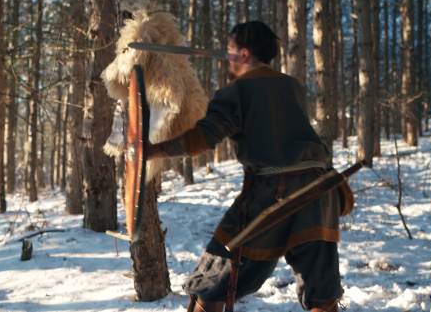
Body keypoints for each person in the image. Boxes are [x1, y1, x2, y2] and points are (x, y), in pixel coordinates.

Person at [147, 21, 350, 312]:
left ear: (243, 55)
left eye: (230, 51)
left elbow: (205, 135)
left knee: (214, 280)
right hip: (319, 192)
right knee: (322, 293)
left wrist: (154, 150)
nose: (227, 57)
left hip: (272, 195)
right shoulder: (292, 86)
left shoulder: (239, 91)